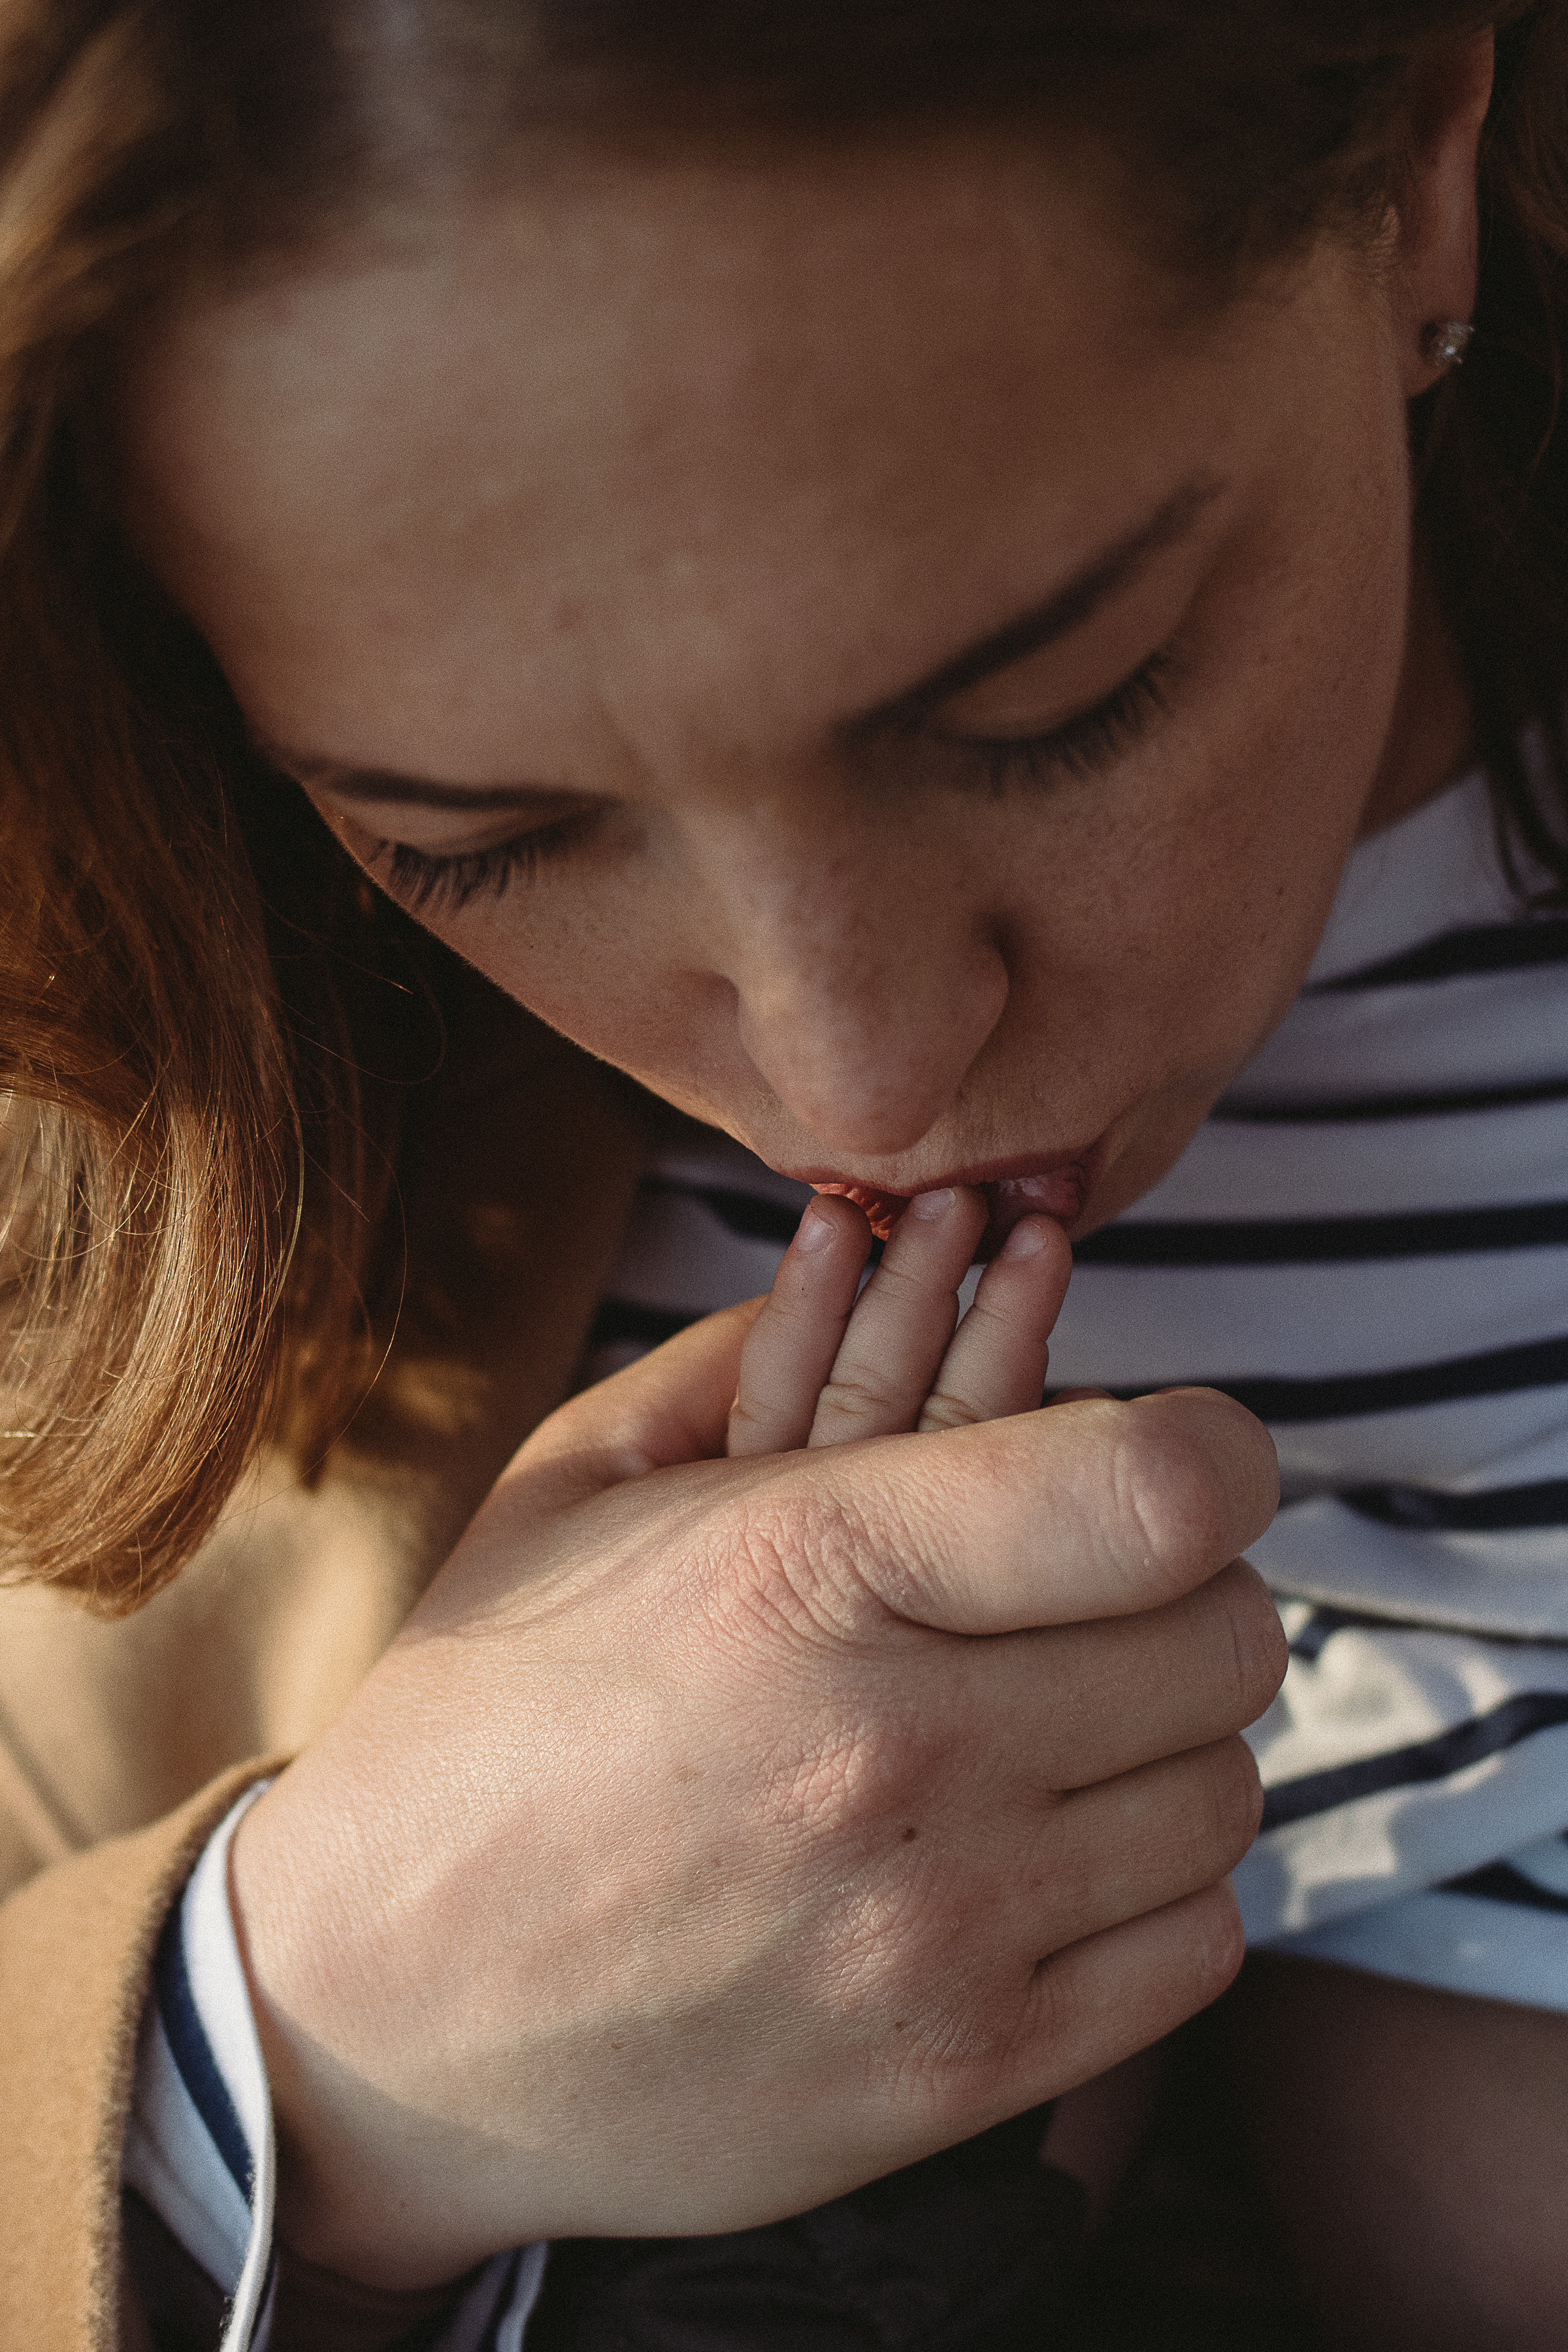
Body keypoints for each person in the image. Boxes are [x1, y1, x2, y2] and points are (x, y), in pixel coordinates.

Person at [3, 3, 1568, 2347]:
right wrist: (293, 2044)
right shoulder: (121, 1065)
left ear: (1425, 142)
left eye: (1055, 703)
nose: (866, 1060)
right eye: (477, 840)